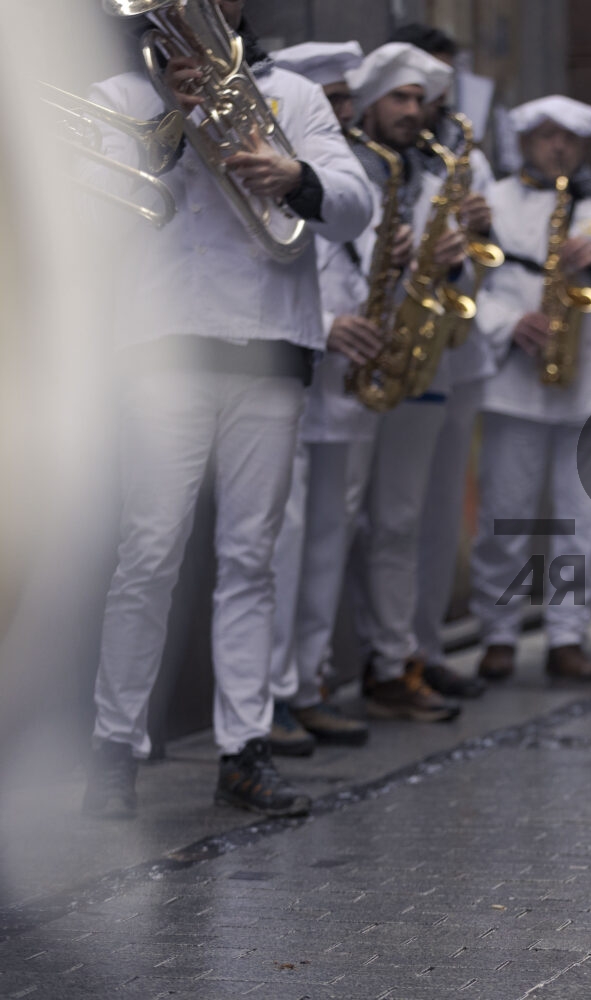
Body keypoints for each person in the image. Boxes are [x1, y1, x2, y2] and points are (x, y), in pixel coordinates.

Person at [81, 0, 374, 819]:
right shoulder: (120, 96)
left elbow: (356, 205)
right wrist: (173, 123)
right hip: (164, 347)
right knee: (149, 549)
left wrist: (297, 178)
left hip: (270, 345)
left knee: (253, 557)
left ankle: (245, 749)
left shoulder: (293, 95)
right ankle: (115, 750)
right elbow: (92, 217)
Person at [470, 96, 591, 683]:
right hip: (514, 381)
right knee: (504, 513)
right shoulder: (495, 197)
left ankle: (567, 636)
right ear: (526, 142)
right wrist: (507, 322)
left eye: (570, 140)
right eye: (548, 137)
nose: (559, 148)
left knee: (580, 522)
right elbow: (471, 282)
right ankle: (498, 633)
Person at [338, 42, 473, 724]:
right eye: (400, 97)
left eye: (421, 100)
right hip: (351, 361)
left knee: (399, 521)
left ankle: (393, 663)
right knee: (340, 520)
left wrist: (454, 260)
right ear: (368, 104)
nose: (414, 111)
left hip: (419, 363)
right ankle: (313, 677)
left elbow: (467, 286)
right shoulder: (343, 167)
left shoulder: (437, 172)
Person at [264, 39, 389, 755]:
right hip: (294, 371)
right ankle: (271, 692)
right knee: (278, 544)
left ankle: (308, 683)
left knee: (328, 542)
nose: (343, 114)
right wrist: (330, 323)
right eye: (332, 101)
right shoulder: (269, 168)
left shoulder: (356, 175)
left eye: (344, 101)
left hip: (347, 391)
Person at [390, 24, 499, 701]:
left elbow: (492, 257)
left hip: (456, 353)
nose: (433, 95)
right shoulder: (388, 153)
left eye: (441, 82)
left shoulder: (464, 156)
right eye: (421, 80)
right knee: (387, 516)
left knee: (436, 515)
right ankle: (385, 653)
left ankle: (424, 648)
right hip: (393, 347)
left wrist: (480, 228)